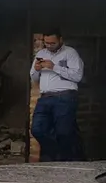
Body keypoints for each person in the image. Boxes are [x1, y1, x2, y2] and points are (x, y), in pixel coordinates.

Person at [30, 28, 84, 161]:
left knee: (63, 132)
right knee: (37, 129)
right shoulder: (41, 53)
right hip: (45, 98)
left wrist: (54, 67)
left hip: (65, 97)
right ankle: (60, 155)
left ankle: (67, 161)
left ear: (60, 40)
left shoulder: (70, 53)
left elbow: (77, 76)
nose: (49, 46)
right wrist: (36, 70)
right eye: (46, 43)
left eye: (52, 43)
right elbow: (34, 78)